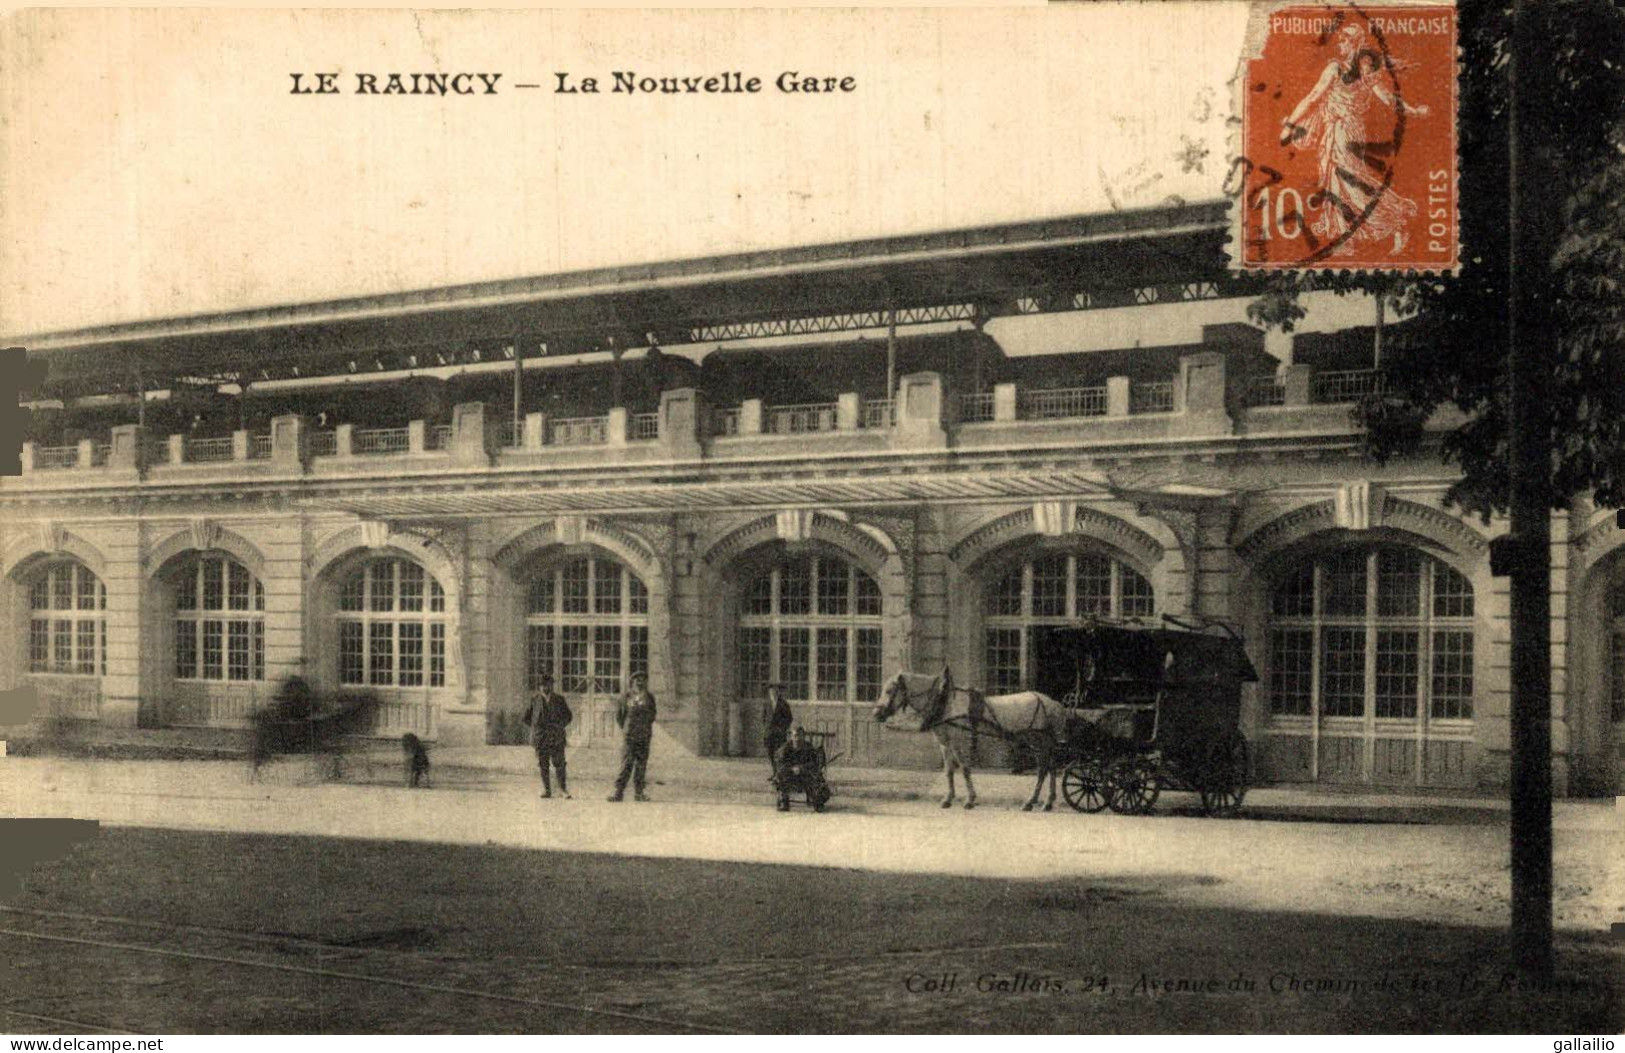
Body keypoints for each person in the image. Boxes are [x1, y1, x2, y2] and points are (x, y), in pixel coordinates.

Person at [1279, 22, 1429, 256]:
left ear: (1356, 43)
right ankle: (1345, 238)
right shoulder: (1362, 71)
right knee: (1336, 181)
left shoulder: (1340, 69)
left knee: (1353, 182)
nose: (1340, 43)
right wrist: (1415, 111)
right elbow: (1388, 99)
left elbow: (1313, 98)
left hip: (1345, 132)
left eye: (1345, 40)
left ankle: (1398, 219)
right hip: (1341, 130)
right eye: (1340, 40)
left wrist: (1290, 124)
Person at [521, 676, 573, 799]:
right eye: (543, 685)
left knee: (559, 764)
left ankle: (563, 789)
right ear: (539, 687)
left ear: (552, 686)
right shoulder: (535, 700)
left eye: (548, 685)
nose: (545, 687)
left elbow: (568, 716)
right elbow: (526, 718)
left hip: (556, 737)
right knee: (543, 764)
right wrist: (537, 728)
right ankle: (547, 790)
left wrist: (559, 726)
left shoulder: (559, 700)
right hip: (541, 738)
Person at [608, 672, 656, 802]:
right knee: (626, 764)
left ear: (646, 682)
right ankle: (618, 793)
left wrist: (644, 727)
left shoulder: (649, 697)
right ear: (632, 682)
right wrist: (627, 728)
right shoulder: (626, 697)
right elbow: (620, 716)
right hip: (630, 736)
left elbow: (652, 715)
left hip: (644, 736)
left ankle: (639, 793)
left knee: (641, 765)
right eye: (637, 680)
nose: (640, 683)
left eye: (643, 680)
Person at [776, 726, 821, 812]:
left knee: (815, 775)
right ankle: (784, 800)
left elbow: (814, 762)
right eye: (795, 736)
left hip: (805, 775)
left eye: (800, 736)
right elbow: (780, 763)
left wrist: (801, 767)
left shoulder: (808, 747)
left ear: (804, 737)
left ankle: (815, 798)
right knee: (780, 774)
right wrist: (792, 768)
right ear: (791, 737)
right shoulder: (785, 748)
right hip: (790, 776)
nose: (798, 738)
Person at [762, 684, 793, 775]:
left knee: (779, 753)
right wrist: (766, 729)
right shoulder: (767, 704)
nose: (773, 693)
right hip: (769, 733)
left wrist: (782, 728)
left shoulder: (783, 704)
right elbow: (764, 718)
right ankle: (774, 771)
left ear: (778, 693)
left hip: (779, 733)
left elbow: (789, 718)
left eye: (775, 692)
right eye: (771, 692)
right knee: (770, 752)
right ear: (769, 693)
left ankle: (779, 773)